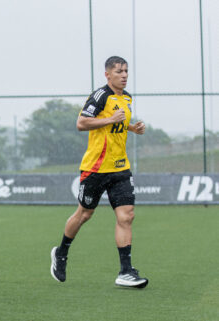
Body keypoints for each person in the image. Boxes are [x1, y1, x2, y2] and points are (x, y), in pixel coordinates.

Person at [50, 56, 148, 288]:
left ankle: (125, 271)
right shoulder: (100, 96)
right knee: (84, 215)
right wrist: (110, 119)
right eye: (119, 71)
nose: (124, 75)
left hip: (120, 167)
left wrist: (132, 127)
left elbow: (118, 124)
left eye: (126, 71)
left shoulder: (127, 98)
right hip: (96, 168)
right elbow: (82, 123)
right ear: (107, 75)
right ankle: (61, 252)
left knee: (127, 215)